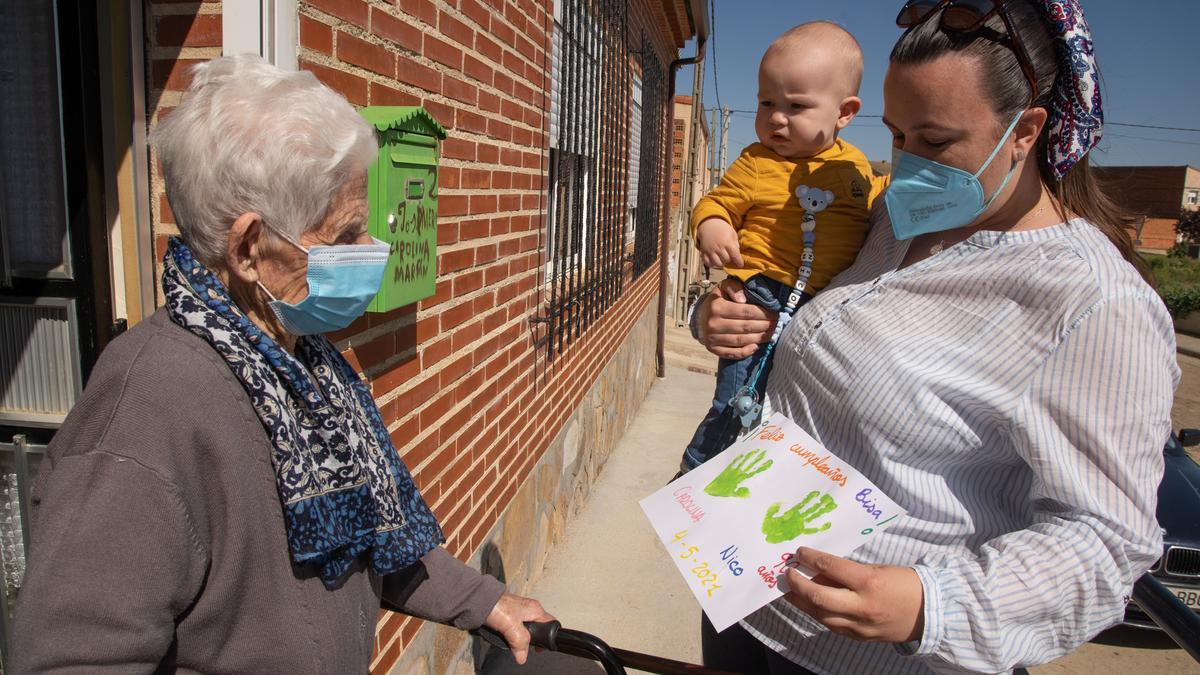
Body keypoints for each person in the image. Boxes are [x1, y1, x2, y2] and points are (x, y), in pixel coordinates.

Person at [11, 55, 552, 672]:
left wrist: (481, 601)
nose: (371, 250)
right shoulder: (147, 410)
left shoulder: (303, 359)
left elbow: (371, 531)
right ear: (248, 248)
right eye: (346, 235)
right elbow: (71, 659)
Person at [690, 1, 1178, 673]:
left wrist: (931, 602)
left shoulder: (1092, 302)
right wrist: (715, 313)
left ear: (1025, 130)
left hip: (866, 656)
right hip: (747, 593)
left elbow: (1107, 542)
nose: (908, 162)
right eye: (895, 136)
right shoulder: (896, 217)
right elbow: (787, 281)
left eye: (936, 139)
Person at [680, 21, 884, 472]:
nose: (775, 117)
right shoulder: (757, 161)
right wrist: (713, 226)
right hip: (760, 294)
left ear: (845, 112)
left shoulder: (855, 167)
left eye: (796, 106)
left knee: (784, 412)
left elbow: (874, 211)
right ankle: (696, 473)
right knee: (738, 401)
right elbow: (715, 202)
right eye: (767, 102)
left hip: (821, 306)